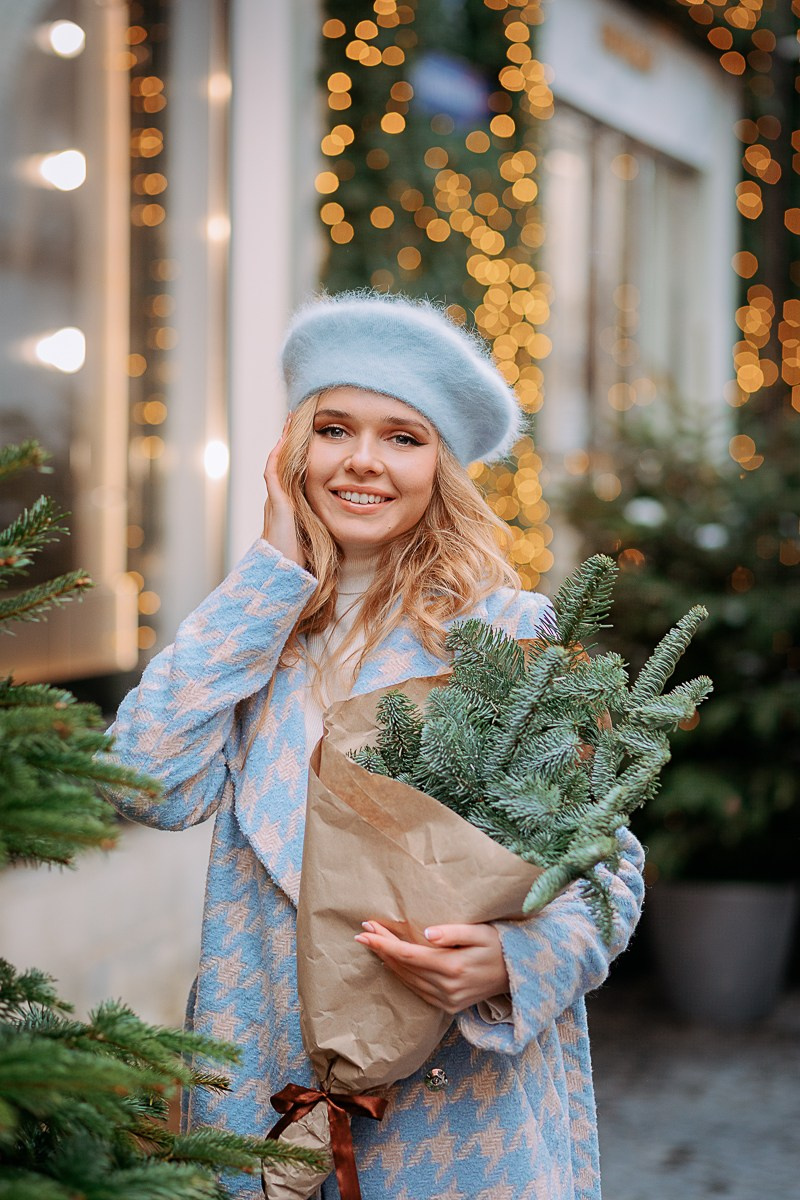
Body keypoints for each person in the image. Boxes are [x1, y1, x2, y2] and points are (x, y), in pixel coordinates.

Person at [105, 291, 644, 1200]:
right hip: (264, 1095)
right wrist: (270, 575)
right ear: (292, 452)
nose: (362, 460)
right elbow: (141, 781)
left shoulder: (503, 634)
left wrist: (514, 961)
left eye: (403, 437)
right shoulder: (256, 633)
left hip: (459, 1110)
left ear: (443, 468)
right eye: (334, 429)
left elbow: (607, 865)